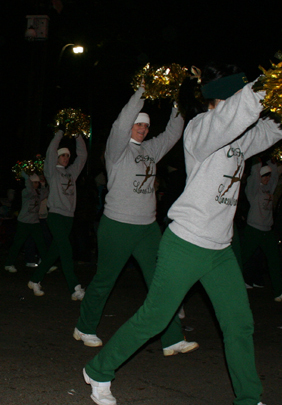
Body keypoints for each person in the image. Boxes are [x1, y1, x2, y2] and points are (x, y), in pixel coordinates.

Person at [82, 64, 282, 405]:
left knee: (240, 324)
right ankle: (98, 370)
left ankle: (247, 404)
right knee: (155, 317)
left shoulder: (237, 138)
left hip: (220, 249)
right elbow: (235, 115)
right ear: (219, 102)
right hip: (186, 243)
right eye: (233, 100)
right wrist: (262, 89)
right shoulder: (201, 129)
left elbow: (267, 131)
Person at [74, 84, 196, 357]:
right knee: (106, 279)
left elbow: (174, 133)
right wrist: (143, 91)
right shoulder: (117, 150)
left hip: (148, 228)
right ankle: (85, 327)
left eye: (145, 126)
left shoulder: (150, 150)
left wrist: (178, 102)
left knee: (160, 280)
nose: (141, 128)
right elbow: (121, 123)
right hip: (117, 225)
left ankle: (172, 338)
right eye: (138, 124)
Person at [27, 131, 87, 299]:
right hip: (55, 216)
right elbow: (50, 152)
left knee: (55, 252)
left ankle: (35, 279)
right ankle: (74, 288)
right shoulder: (52, 172)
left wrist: (77, 136)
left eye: (68, 155)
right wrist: (59, 134)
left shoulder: (72, 173)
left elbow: (82, 156)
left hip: (69, 217)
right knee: (66, 250)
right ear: (57, 157)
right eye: (62, 155)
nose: (66, 158)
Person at [237, 158, 282, 302]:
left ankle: (279, 291)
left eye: (268, 175)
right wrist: (257, 161)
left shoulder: (269, 187)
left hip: (267, 230)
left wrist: (272, 165)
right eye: (265, 176)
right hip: (254, 229)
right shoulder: (253, 190)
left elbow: (275, 177)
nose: (268, 178)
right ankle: (227, 284)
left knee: (274, 260)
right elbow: (254, 177)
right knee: (243, 257)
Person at [4, 171, 47, 272]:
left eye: (37, 182)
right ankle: (8, 263)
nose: (36, 184)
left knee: (41, 243)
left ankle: (46, 264)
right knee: (18, 244)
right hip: (24, 222)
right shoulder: (26, 192)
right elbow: (30, 189)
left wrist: (43, 184)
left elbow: (45, 193)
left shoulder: (38, 192)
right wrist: (26, 177)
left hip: (35, 222)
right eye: (34, 182)